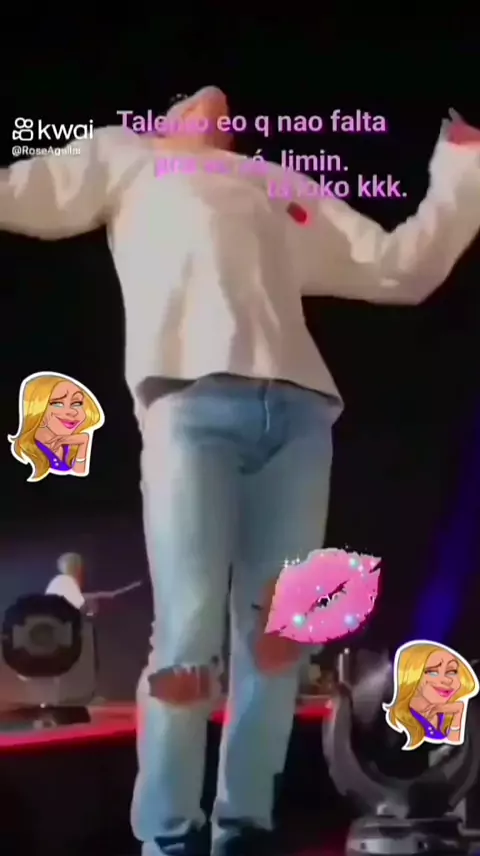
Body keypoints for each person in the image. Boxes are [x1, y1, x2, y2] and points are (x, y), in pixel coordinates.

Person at [1, 87, 480, 856]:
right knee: (188, 626)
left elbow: (400, 267)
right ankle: (169, 836)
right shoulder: (127, 157)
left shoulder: (277, 185)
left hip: (299, 414)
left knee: (278, 638)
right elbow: (23, 192)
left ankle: (245, 827)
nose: (213, 100)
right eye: (188, 96)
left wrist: (462, 169)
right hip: (189, 403)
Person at [383, 640, 479, 750]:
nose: (447, 680)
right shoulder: (399, 725)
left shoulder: (455, 713)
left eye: (452, 672)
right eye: (433, 672)